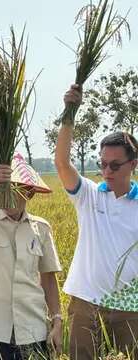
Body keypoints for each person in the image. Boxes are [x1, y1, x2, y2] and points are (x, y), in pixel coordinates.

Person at [56, 85, 138, 359]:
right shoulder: (89, 196)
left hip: (129, 305)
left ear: (133, 164)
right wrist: (70, 113)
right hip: (85, 303)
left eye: (115, 165)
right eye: (102, 164)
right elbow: (62, 164)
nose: (106, 171)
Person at [0, 153, 62, 359]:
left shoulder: (41, 228)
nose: (9, 195)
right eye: (5, 189)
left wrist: (57, 320)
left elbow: (48, 277)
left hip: (32, 326)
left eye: (17, 189)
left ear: (29, 193)